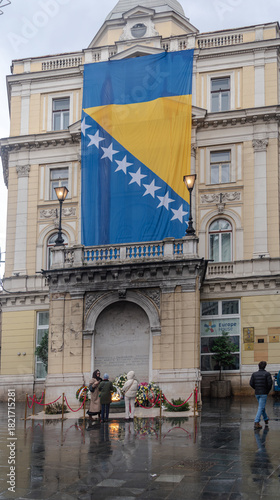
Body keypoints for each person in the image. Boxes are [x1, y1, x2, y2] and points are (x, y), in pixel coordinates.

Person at [250, 361, 273, 430]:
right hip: (264, 393)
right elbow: (270, 384)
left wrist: (256, 388)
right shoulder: (267, 374)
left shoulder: (254, 374)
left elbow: (251, 383)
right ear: (265, 366)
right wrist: (267, 391)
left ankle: (266, 418)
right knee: (261, 407)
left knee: (261, 406)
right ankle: (256, 422)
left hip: (257, 393)